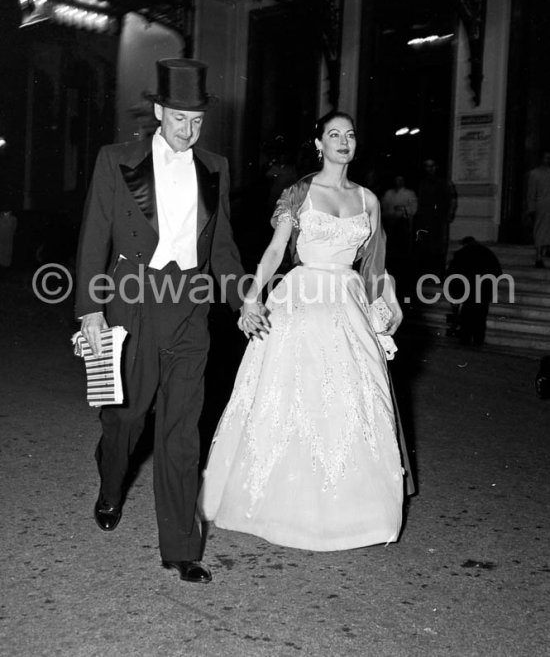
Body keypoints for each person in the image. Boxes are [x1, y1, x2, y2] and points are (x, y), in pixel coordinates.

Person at [199, 110, 414, 551]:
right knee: (292, 394)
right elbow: (276, 250)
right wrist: (252, 297)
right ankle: (279, 505)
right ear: (319, 144)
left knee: (354, 396)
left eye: (350, 134)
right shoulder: (299, 192)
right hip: (302, 298)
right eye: (333, 134)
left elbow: (376, 266)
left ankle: (357, 513)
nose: (343, 141)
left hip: (348, 301)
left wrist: (389, 302)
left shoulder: (369, 200)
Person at [75, 58, 248, 584]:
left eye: (197, 122)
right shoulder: (116, 160)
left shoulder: (215, 168)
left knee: (180, 432)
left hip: (191, 306)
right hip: (133, 301)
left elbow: (222, 247)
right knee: (126, 417)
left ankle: (180, 548)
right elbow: (94, 238)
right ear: (158, 112)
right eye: (179, 120)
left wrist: (245, 299)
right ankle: (111, 484)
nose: (188, 132)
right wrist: (89, 310)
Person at [445, 236, 502, 346]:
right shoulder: (488, 253)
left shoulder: (461, 254)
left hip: (468, 290)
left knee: (466, 317)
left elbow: (452, 274)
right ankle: (478, 340)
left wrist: (455, 293)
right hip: (483, 291)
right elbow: (497, 272)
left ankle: (465, 339)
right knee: (480, 317)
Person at [414, 158, 457, 278]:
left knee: (439, 246)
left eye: (432, 166)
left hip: (440, 219)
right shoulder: (423, 183)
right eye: (427, 166)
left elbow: (452, 199)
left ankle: (439, 272)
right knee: (426, 246)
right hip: (426, 218)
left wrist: (449, 214)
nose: (430, 169)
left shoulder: (444, 182)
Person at [381, 174, 418, 302]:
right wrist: (392, 213)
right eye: (396, 179)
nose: (398, 182)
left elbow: (413, 208)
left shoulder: (409, 193)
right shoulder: (389, 194)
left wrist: (401, 211)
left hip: (403, 226)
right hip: (390, 226)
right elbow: (384, 208)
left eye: (401, 180)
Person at [527, 150, 550, 268]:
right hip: (542, 206)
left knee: (543, 231)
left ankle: (542, 254)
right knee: (540, 231)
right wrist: (531, 208)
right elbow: (531, 193)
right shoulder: (534, 174)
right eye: (546, 157)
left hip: (543, 205)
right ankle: (538, 256)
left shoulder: (535, 173)